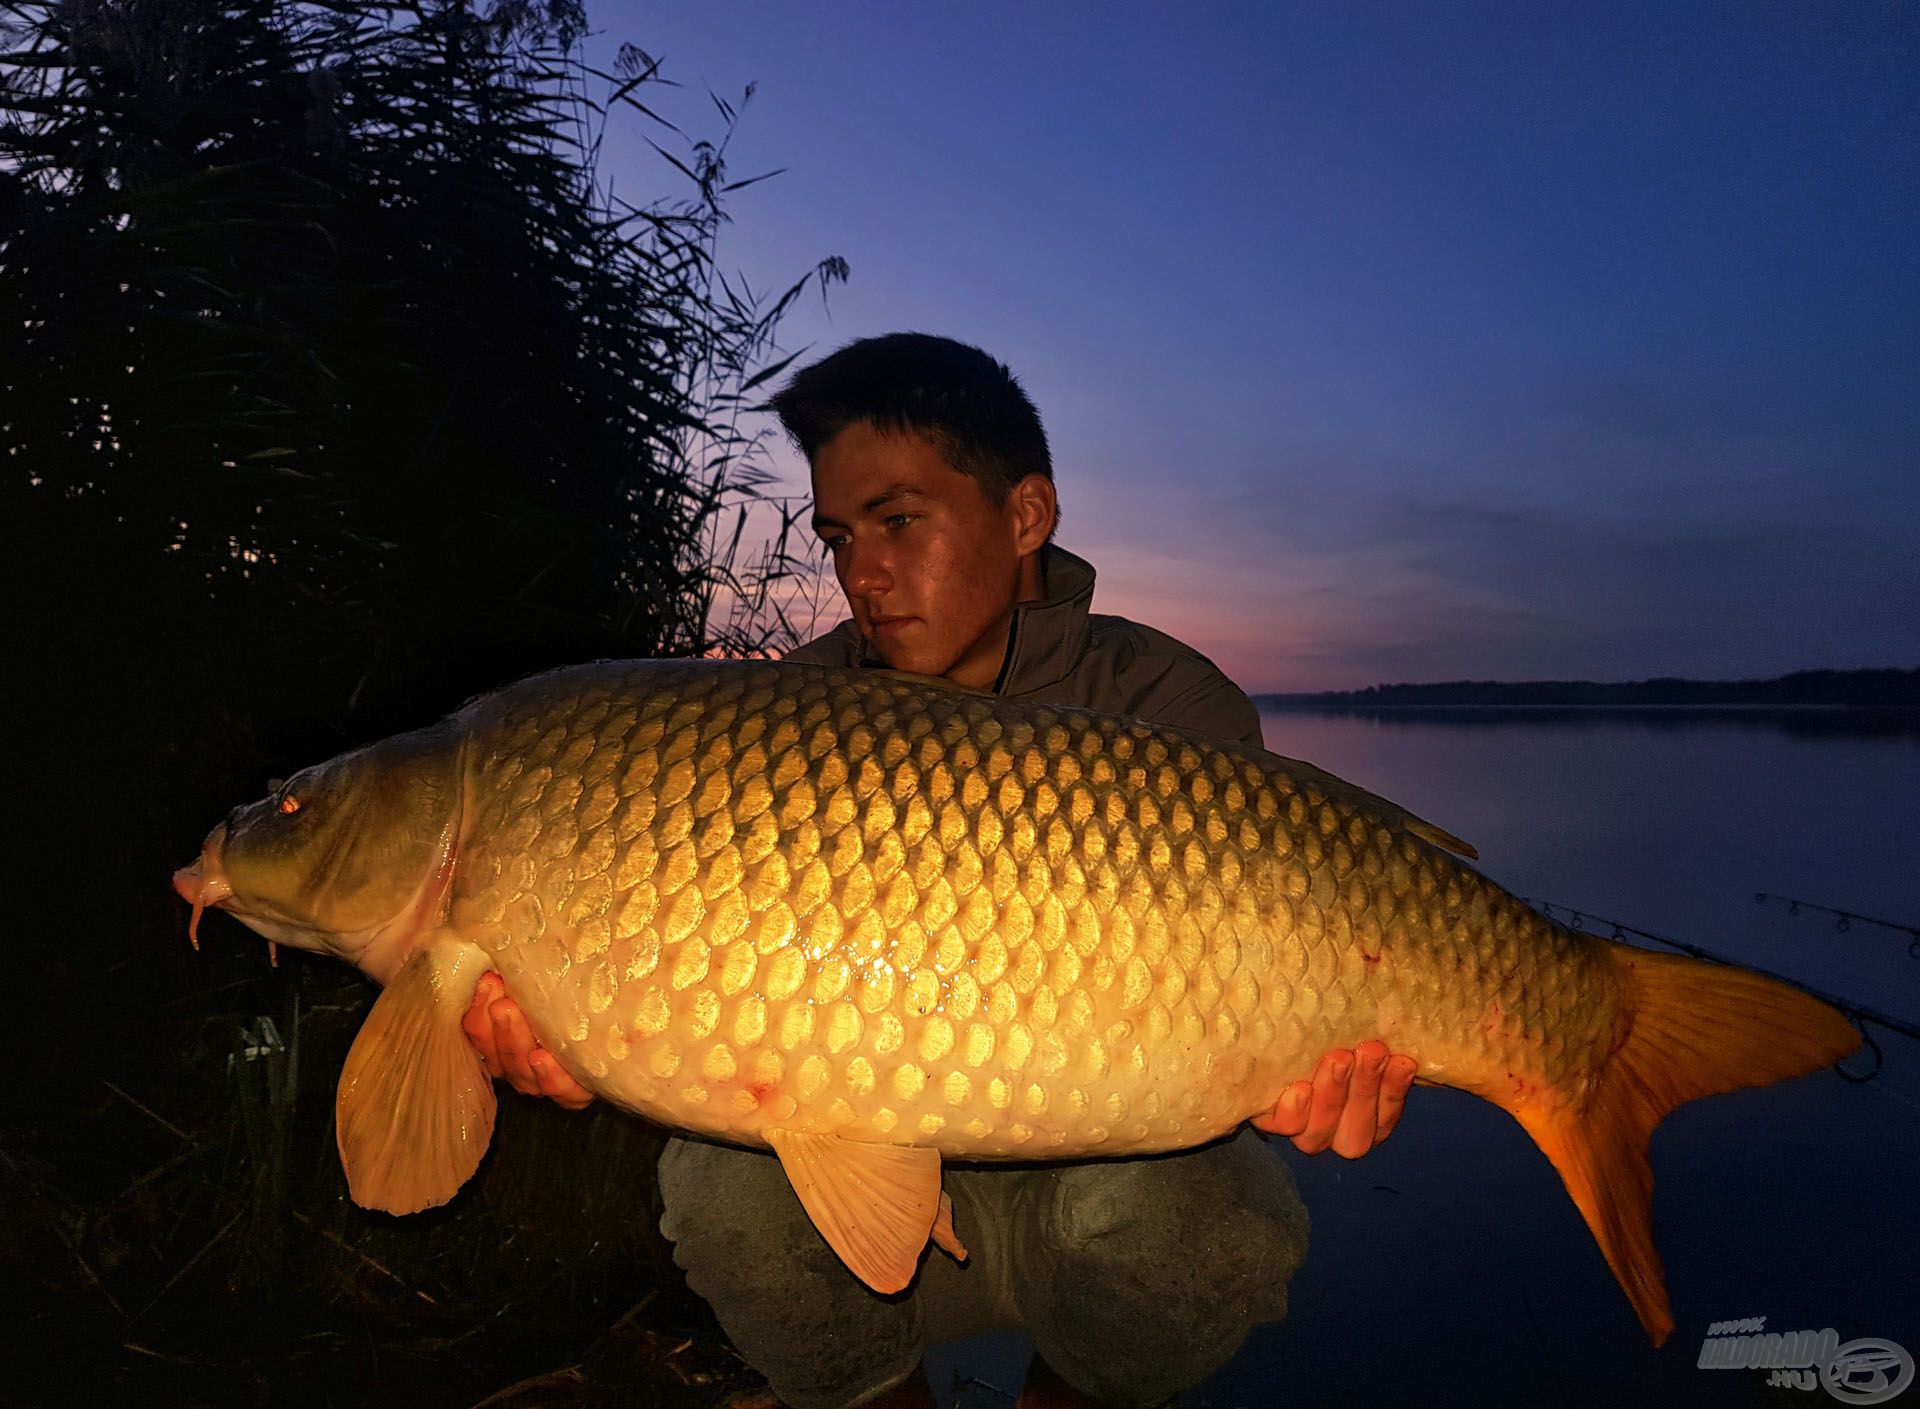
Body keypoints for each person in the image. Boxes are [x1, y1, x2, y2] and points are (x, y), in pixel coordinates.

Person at [465, 334, 1416, 1408]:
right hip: (867, 1225)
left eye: (899, 520)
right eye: (838, 534)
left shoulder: (1167, 707)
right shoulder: (783, 721)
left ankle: (1066, 1393)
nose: (861, 572)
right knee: (717, 1186)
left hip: (1091, 1215)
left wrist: (1320, 1070)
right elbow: (709, 977)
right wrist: (572, 1015)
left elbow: (1255, 1004)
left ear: (1024, 516)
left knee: (1220, 1225)